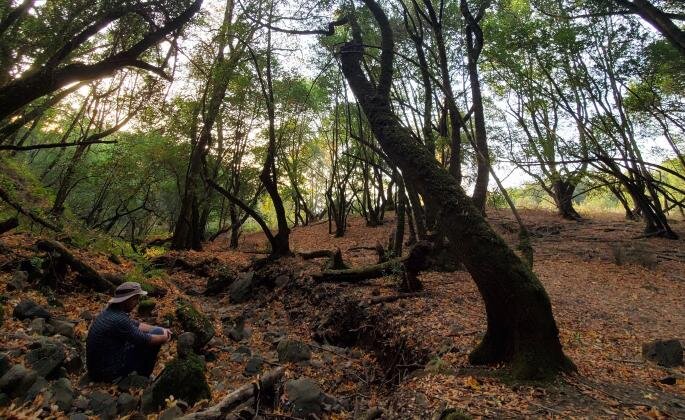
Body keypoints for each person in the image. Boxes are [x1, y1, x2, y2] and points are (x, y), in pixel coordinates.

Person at [86, 282, 172, 382]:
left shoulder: (111, 311)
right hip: (106, 373)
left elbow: (136, 324)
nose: (137, 302)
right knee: (156, 336)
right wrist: (164, 337)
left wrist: (161, 329)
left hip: (99, 367)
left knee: (157, 331)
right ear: (126, 300)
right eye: (135, 299)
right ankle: (143, 376)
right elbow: (145, 340)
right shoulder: (119, 319)